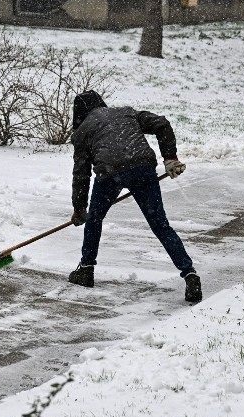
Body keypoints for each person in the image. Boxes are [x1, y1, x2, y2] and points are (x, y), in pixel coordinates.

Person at [67, 90, 203, 304]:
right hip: (142, 168)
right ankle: (190, 274)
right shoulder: (126, 112)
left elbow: (81, 173)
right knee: (160, 225)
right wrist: (170, 158)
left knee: (94, 219)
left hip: (109, 174)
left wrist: (79, 208)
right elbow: (161, 124)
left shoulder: (82, 131)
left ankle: (86, 269)